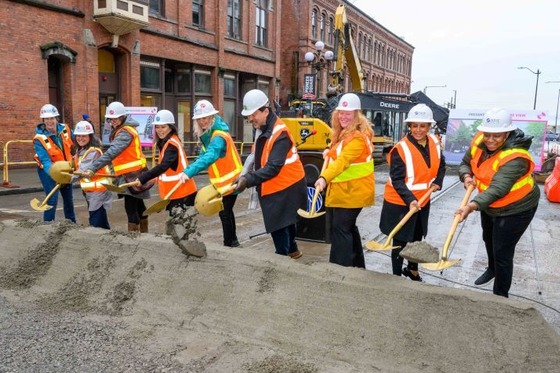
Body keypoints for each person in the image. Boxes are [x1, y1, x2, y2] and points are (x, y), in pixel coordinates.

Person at [456, 107, 539, 298]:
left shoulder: (516, 158)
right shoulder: (479, 140)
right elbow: (465, 162)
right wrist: (466, 176)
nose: (490, 140)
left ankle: (500, 297)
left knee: (502, 250)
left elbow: (498, 189)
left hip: (517, 207)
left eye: (497, 136)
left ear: (507, 133)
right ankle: (492, 269)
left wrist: (471, 206)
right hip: (490, 204)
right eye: (488, 135)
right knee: (488, 239)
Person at [233, 89, 307, 258]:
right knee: (286, 222)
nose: (250, 119)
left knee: (279, 225)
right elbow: (258, 157)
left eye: (253, 114)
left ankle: (281, 260)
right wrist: (244, 175)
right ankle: (293, 250)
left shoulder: (280, 133)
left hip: (287, 186)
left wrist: (249, 179)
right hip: (277, 186)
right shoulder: (264, 128)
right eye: (248, 116)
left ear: (265, 111)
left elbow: (273, 167)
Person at [378, 103, 446, 281]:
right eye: (414, 126)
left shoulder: (435, 143)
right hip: (400, 202)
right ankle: (396, 275)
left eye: (422, 126)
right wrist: (410, 200)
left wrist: (438, 181)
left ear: (429, 127)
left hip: (423, 200)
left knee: (416, 237)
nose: (418, 130)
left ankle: (413, 269)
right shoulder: (401, 149)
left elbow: (441, 166)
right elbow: (397, 180)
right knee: (400, 239)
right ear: (409, 126)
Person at [314, 93, 375, 268]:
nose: (343, 116)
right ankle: (357, 266)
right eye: (341, 112)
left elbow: (342, 162)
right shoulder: (343, 134)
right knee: (348, 228)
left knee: (341, 229)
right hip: (346, 191)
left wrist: (324, 178)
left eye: (348, 113)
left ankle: (339, 269)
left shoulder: (357, 138)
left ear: (357, 116)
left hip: (353, 193)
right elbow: (338, 152)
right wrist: (329, 151)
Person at [178, 100, 242, 247]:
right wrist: (188, 171)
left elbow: (211, 156)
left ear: (212, 117)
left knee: (225, 212)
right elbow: (202, 156)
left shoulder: (218, 136)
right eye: (199, 119)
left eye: (205, 118)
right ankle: (233, 242)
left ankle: (230, 243)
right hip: (226, 182)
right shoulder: (210, 134)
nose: (202, 122)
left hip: (231, 181)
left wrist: (189, 172)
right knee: (226, 212)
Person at [82, 101, 152, 232]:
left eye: (115, 118)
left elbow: (112, 152)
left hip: (131, 176)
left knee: (131, 209)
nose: (112, 121)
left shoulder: (125, 132)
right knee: (139, 206)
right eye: (110, 119)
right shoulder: (125, 129)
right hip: (134, 174)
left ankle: (134, 238)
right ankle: (144, 234)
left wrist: (92, 168)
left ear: (122, 117)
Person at [131, 110, 197, 215]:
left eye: (163, 127)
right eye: (157, 127)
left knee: (180, 228)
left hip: (182, 193)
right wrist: (153, 178)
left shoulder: (171, 145)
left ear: (170, 127)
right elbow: (168, 170)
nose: (159, 130)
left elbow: (163, 166)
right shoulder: (166, 142)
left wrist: (143, 178)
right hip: (175, 193)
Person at [33, 104, 76, 223]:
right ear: (43, 120)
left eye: (52, 118)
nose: (49, 121)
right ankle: (48, 226)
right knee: (52, 199)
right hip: (48, 171)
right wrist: (55, 174)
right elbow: (45, 161)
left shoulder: (65, 129)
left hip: (65, 168)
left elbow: (76, 142)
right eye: (46, 119)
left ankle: (72, 224)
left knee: (68, 199)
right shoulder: (39, 139)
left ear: (56, 118)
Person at [71, 121, 113, 229]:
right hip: (90, 191)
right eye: (78, 136)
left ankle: (100, 242)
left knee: (95, 222)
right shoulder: (80, 150)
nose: (81, 138)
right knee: (101, 220)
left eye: (84, 136)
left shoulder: (93, 152)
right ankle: (108, 239)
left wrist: (65, 180)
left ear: (90, 136)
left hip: (98, 191)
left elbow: (81, 170)